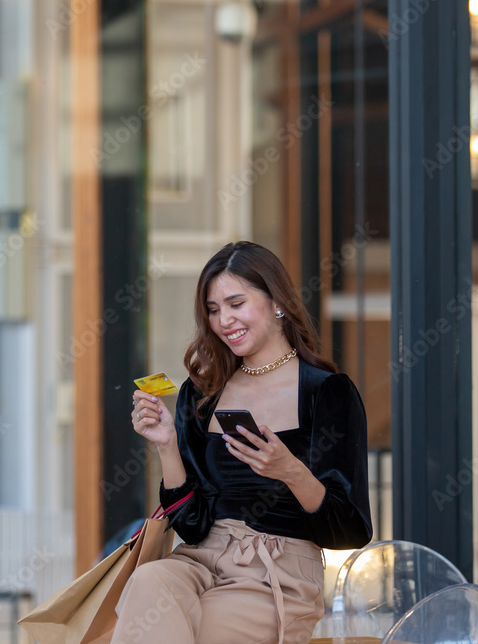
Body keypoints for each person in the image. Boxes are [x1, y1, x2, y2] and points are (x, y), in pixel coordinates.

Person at [113, 241, 372, 644]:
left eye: (236, 303)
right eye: (213, 310)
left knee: (202, 629)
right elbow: (192, 526)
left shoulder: (328, 393)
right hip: (201, 560)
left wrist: (290, 471)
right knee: (148, 582)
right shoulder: (201, 395)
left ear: (277, 303)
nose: (223, 321)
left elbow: (350, 529)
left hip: (278, 572)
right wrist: (167, 444)